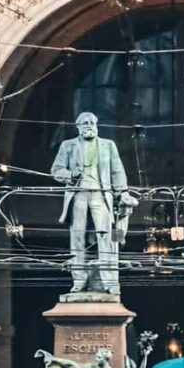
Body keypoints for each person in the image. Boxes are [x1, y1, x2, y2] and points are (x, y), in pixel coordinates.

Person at [51, 112, 128, 294]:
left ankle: (110, 282)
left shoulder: (108, 145)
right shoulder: (67, 146)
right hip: (78, 194)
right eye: (85, 123)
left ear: (97, 125)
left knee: (106, 236)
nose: (89, 125)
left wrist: (122, 192)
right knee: (78, 237)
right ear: (78, 126)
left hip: (101, 194)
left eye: (92, 122)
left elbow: (117, 171)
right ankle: (79, 280)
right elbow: (56, 170)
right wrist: (70, 175)